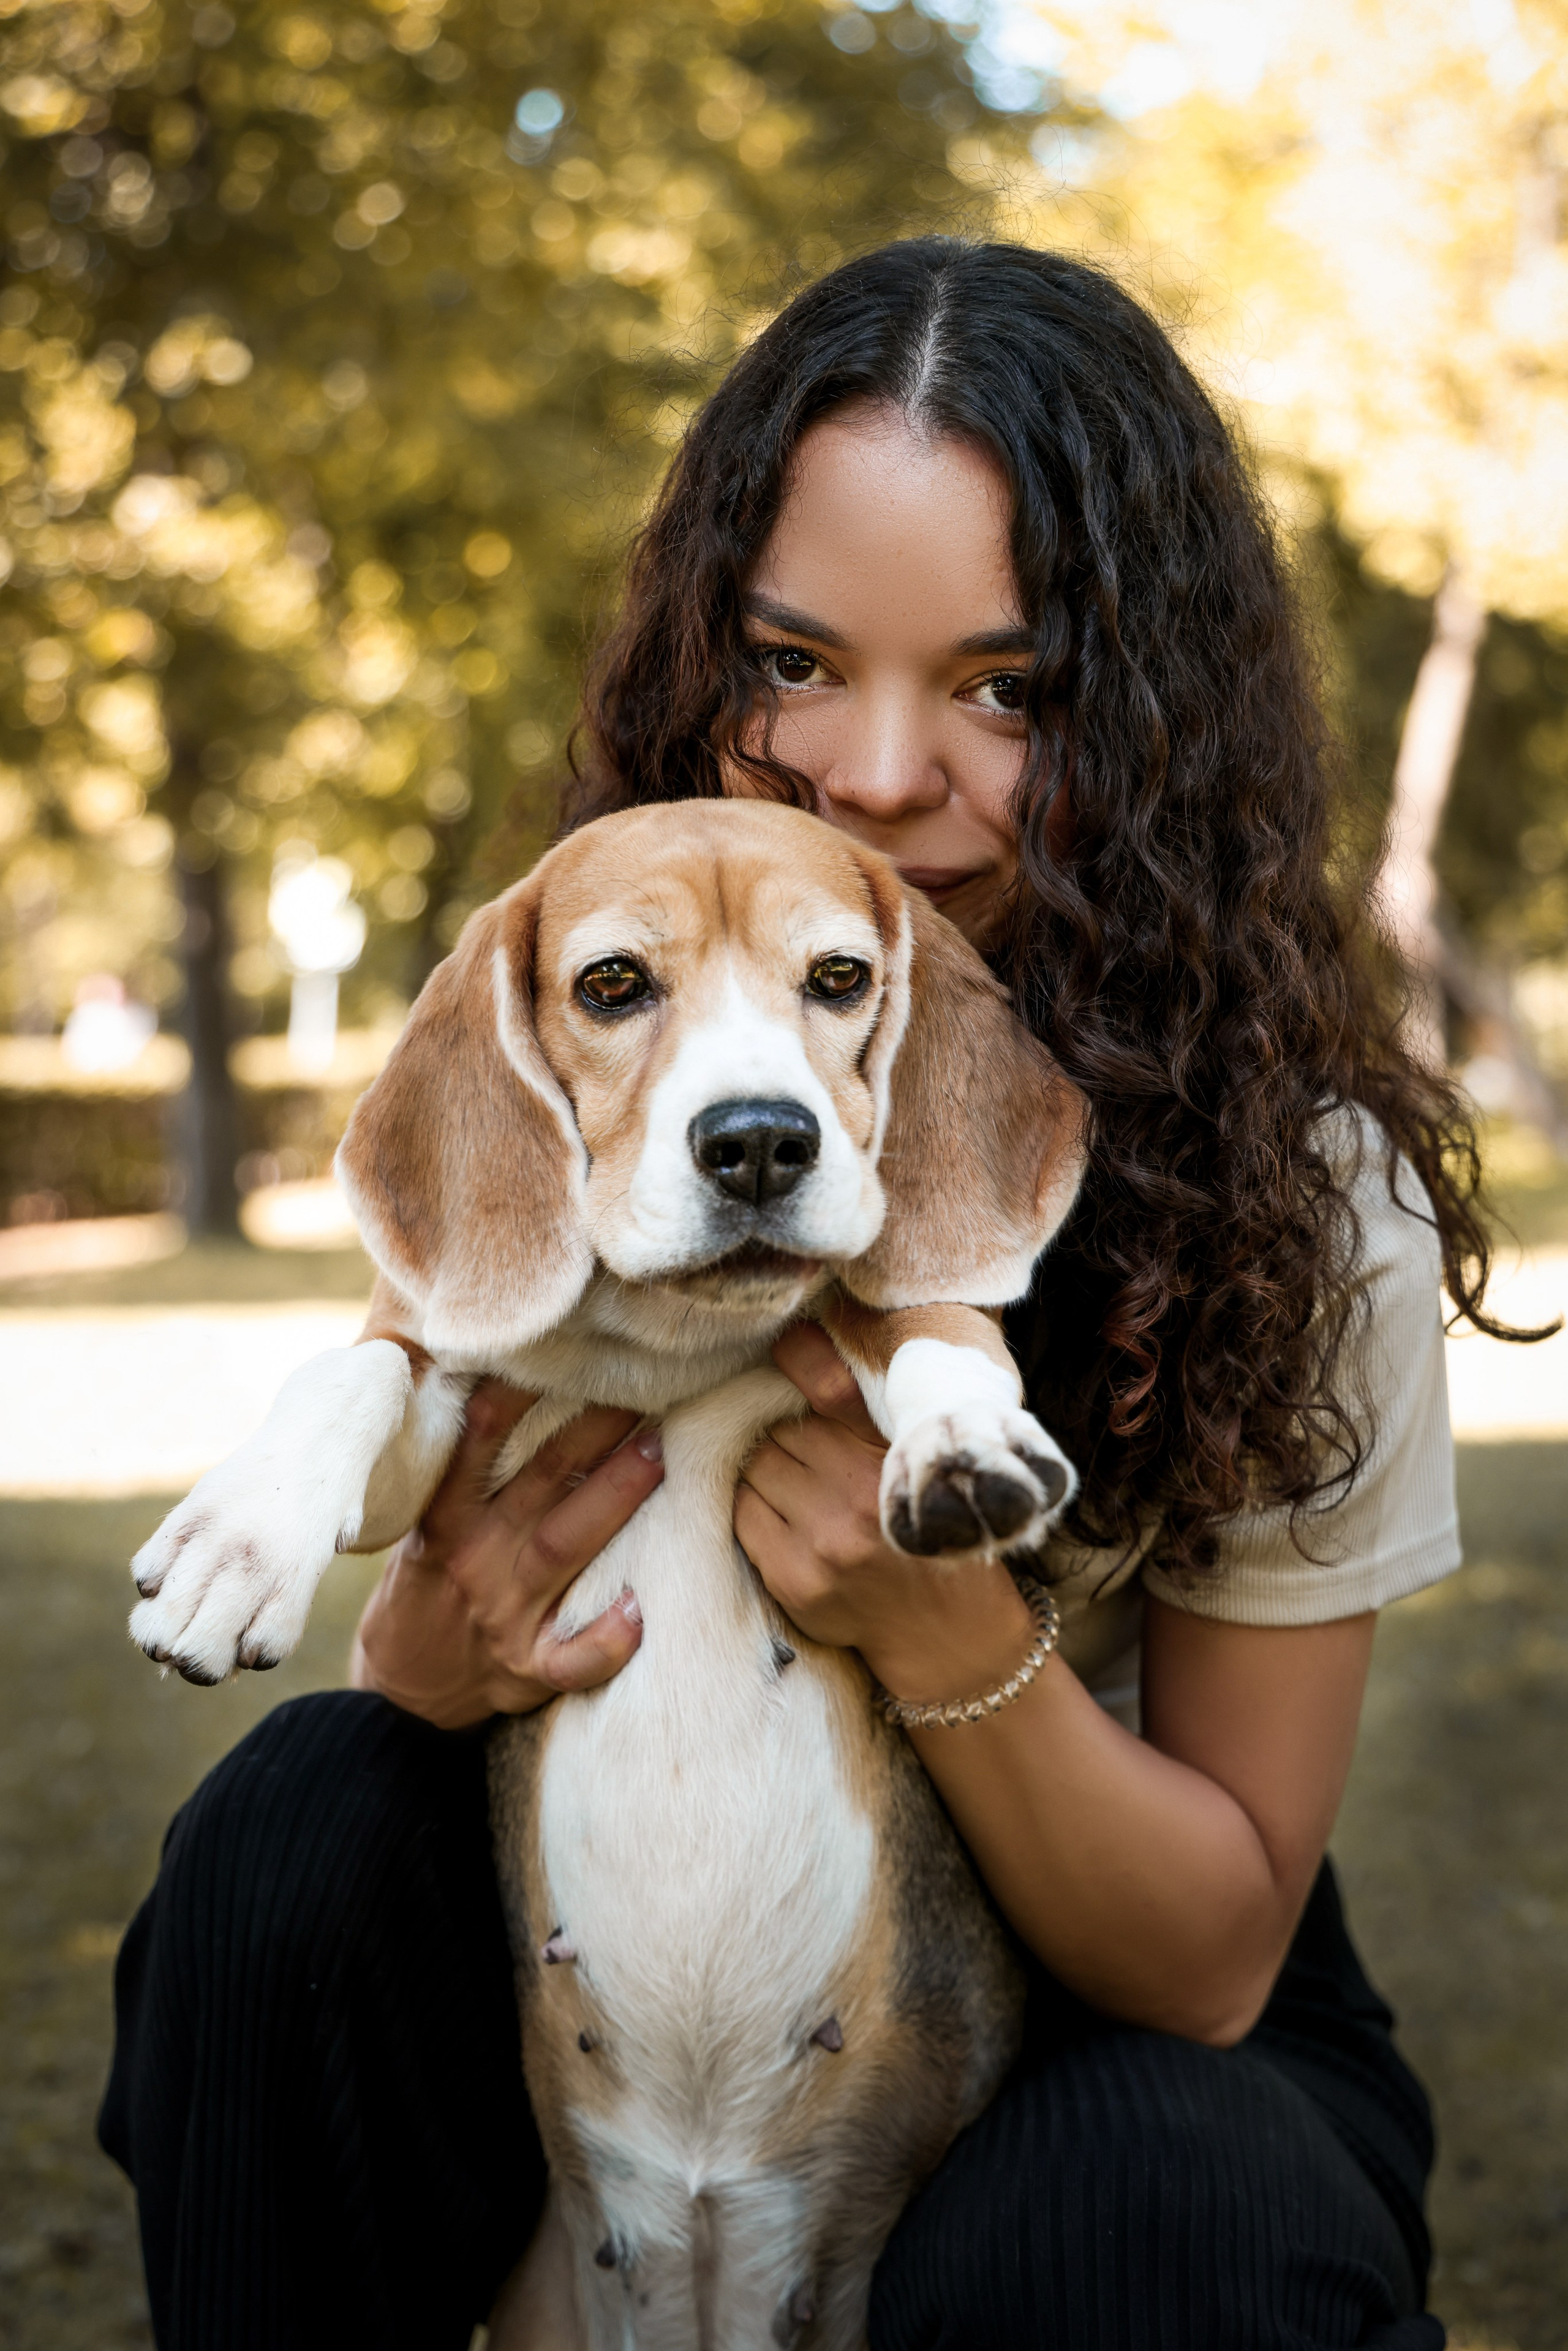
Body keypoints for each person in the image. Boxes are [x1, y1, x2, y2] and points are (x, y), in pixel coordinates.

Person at [100, 240, 1501, 2350]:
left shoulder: (1321, 1197)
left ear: (1143, 711)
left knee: (1149, 2199)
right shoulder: (599, 998)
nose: (870, 772)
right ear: (702, 651)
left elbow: (1214, 1955)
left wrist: (939, 1621)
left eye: (1007, 688)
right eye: (796, 660)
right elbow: (436, 1433)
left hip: (1119, 1977)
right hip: (617, 1930)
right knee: (276, 1847)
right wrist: (426, 1650)